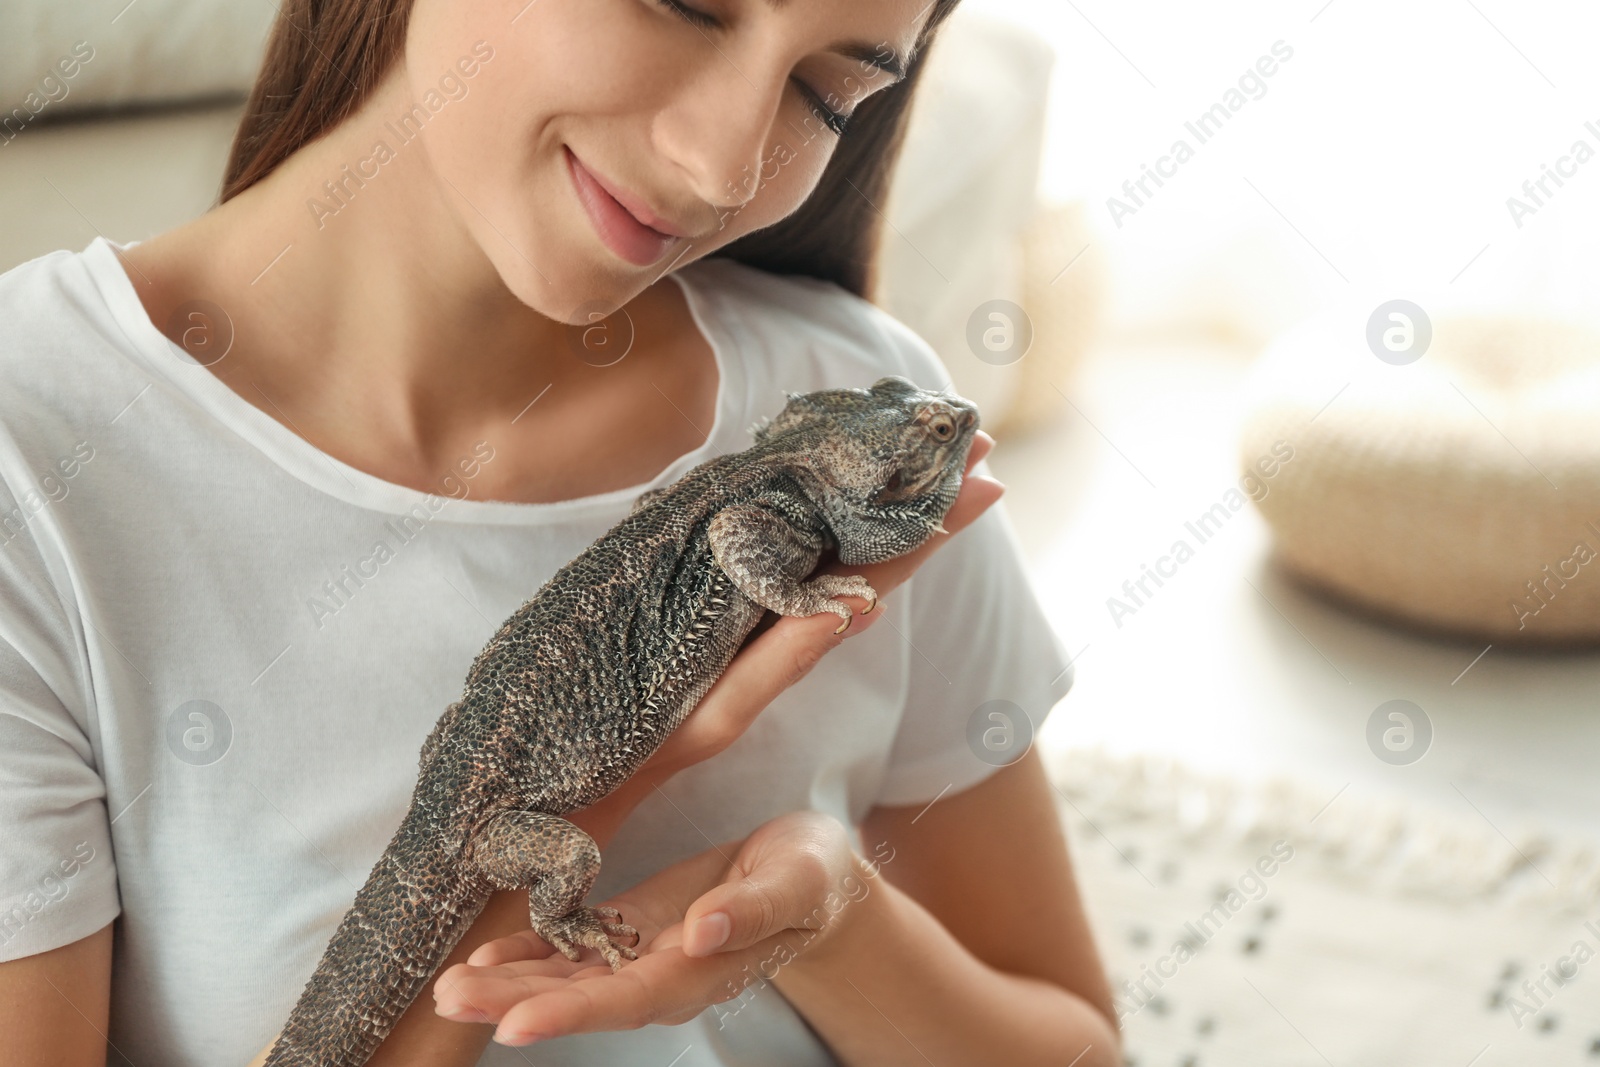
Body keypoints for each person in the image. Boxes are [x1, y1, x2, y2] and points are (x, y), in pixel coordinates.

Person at [0, 0, 1119, 1063]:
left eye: (827, 95)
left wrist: (831, 913)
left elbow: (1073, 1042)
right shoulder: (35, 458)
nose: (723, 165)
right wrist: (621, 764)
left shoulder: (855, 404)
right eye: (681, 4)